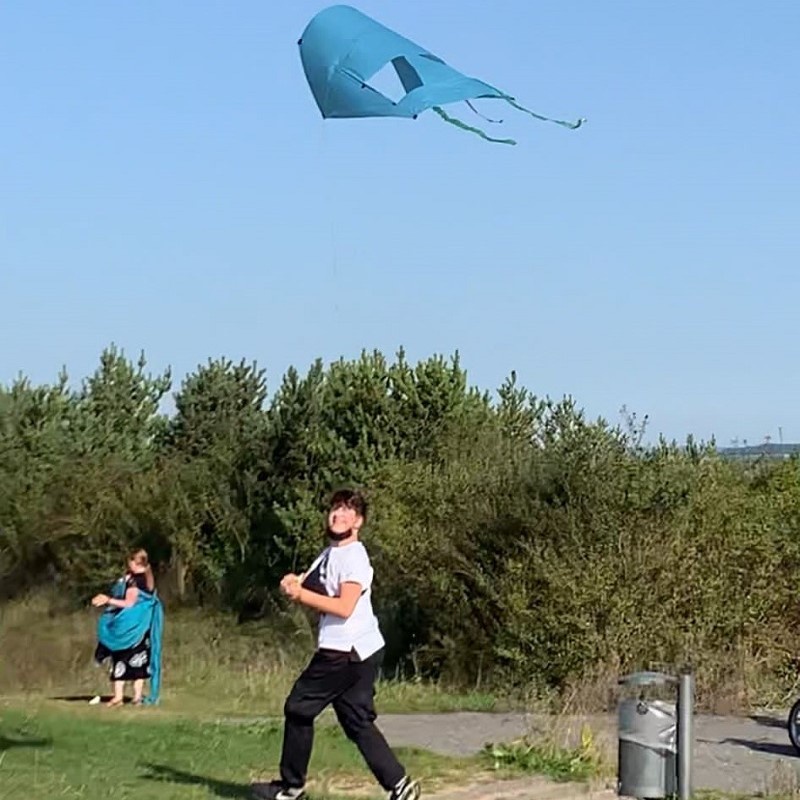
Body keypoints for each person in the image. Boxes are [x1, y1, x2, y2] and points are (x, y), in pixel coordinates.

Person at [251, 489, 420, 800]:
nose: (338, 514)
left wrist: (300, 594)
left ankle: (291, 789)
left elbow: (344, 606)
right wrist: (294, 584)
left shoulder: (355, 556)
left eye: (347, 511)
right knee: (357, 721)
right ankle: (401, 786)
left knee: (298, 708)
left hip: (345, 651)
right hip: (360, 650)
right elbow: (312, 587)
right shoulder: (330, 553)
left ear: (358, 522)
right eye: (335, 509)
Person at [91, 548, 163, 707]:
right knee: (139, 663)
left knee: (121, 659)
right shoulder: (147, 578)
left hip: (131, 627)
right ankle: (135, 697)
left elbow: (129, 603)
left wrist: (107, 600)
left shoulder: (135, 580)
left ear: (134, 562)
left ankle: (119, 697)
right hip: (142, 626)